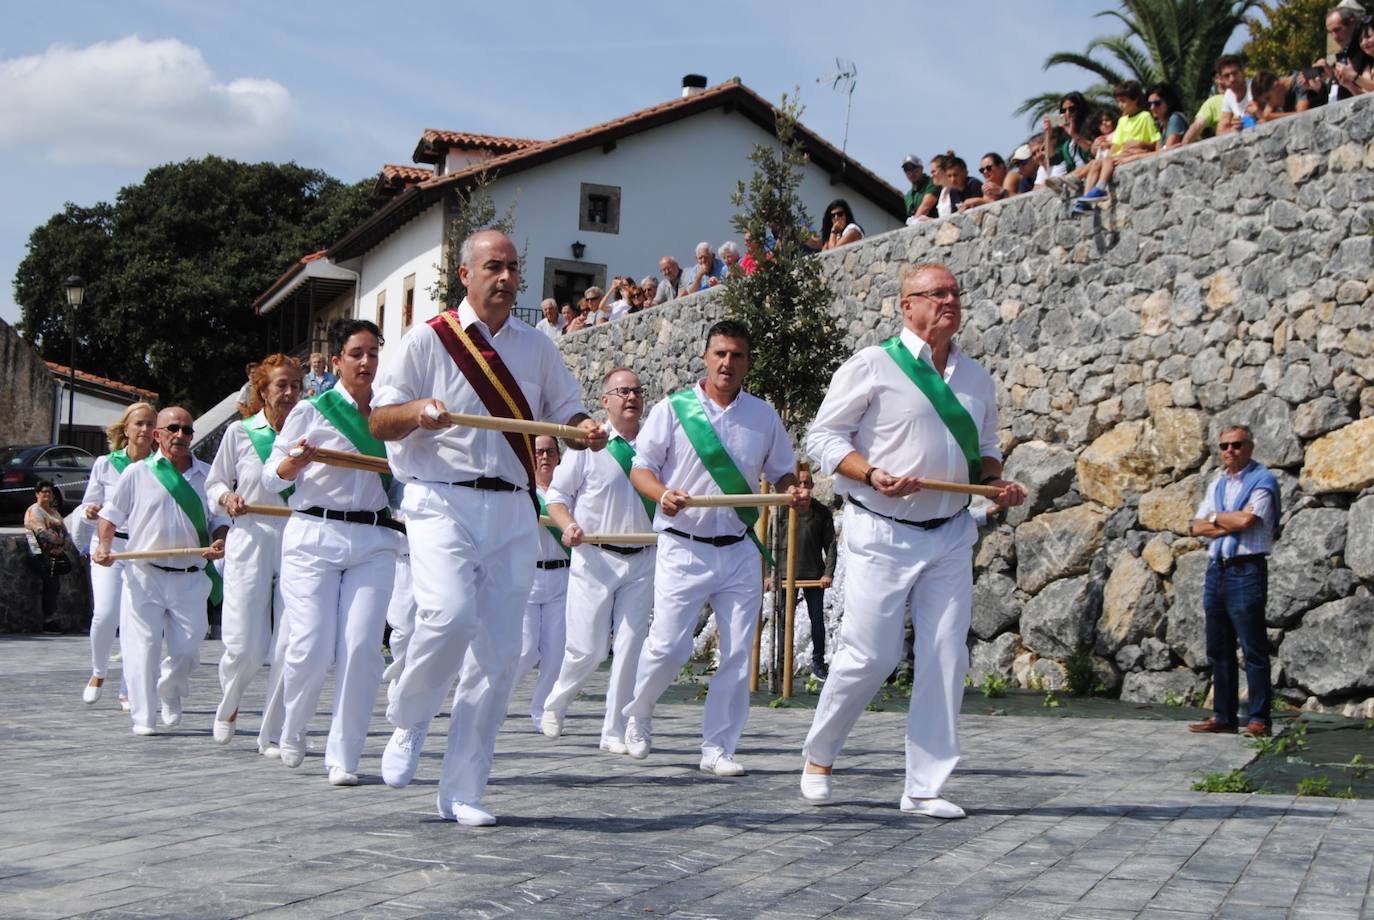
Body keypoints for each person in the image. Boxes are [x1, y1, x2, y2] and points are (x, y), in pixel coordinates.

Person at [369, 229, 605, 827]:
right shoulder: (428, 341)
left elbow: (566, 409)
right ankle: (411, 716)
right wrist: (418, 413)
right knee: (447, 615)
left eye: (512, 268)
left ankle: (463, 788)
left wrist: (586, 427)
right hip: (440, 499)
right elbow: (380, 419)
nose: (504, 278)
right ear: (466, 275)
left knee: (500, 653)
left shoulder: (537, 346)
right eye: (492, 267)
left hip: (512, 505)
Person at [798, 262, 1025, 818]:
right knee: (870, 655)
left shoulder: (975, 377)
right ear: (907, 305)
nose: (950, 300)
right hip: (881, 530)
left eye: (955, 291)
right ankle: (819, 755)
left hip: (949, 533)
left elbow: (986, 446)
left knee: (946, 656)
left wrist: (994, 485)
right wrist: (870, 473)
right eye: (937, 293)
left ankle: (924, 786)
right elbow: (823, 436)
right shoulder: (873, 365)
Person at [622, 320, 803, 777]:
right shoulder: (673, 409)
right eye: (720, 353)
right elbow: (640, 469)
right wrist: (661, 493)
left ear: (747, 362)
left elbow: (784, 472)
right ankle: (640, 710)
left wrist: (795, 488)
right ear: (706, 356)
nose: (727, 363)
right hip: (683, 547)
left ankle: (717, 747)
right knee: (667, 647)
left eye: (737, 355)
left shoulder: (762, 416)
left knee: (739, 653)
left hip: (739, 548)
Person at [262, 319, 400, 785]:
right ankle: (294, 727)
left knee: (362, 648)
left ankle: (344, 756)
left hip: (374, 539)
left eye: (373, 354)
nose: (366, 362)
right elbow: (270, 476)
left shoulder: (387, 416)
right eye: (356, 354)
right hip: (314, 534)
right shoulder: (311, 411)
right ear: (337, 360)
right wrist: (293, 462)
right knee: (311, 647)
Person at [540, 368, 656, 752]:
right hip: (595, 558)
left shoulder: (655, 447)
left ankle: (614, 731)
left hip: (643, 559)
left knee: (630, 647)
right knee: (588, 650)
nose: (631, 397)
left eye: (637, 390)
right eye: (622, 391)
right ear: (605, 400)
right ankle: (556, 702)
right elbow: (556, 498)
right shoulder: (587, 445)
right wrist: (569, 526)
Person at [94, 407, 228, 736]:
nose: (181, 436)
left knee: (187, 649)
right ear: (158, 435)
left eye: (187, 430)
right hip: (145, 574)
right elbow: (110, 516)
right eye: (173, 429)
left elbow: (220, 521)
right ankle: (143, 717)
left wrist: (219, 541)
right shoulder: (137, 474)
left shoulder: (206, 476)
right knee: (142, 649)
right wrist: (104, 547)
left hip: (190, 577)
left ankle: (170, 688)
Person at [206, 354, 302, 747]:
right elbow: (212, 485)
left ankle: (274, 730)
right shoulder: (240, 433)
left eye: (296, 385)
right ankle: (229, 703)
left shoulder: (308, 435)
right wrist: (227, 498)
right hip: (250, 536)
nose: (290, 393)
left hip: (298, 537)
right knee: (244, 644)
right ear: (263, 389)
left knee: (290, 641)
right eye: (282, 385)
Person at [1188, 424, 1278, 739]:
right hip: (1218, 568)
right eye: (1225, 446)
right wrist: (1227, 521)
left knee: (1252, 646)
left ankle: (1259, 718)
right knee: (1218, 646)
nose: (1230, 451)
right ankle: (1223, 715)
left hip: (1246, 569)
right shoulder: (1218, 483)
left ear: (1250, 446)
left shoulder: (1263, 479)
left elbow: (1248, 520)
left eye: (1237, 445)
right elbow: (1197, 527)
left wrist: (1218, 519)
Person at [78, 401, 156, 707]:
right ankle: (98, 671)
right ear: (126, 429)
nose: (145, 430)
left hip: (143, 550)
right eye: (139, 423)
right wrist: (91, 511)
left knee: (136, 621)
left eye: (151, 424)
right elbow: (88, 505)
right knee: (105, 615)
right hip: (109, 547)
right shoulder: (105, 463)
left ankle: (129, 686)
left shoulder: (160, 467)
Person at [506, 435, 570, 732]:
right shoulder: (520, 489)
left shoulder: (569, 490)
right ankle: (498, 700)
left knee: (556, 651)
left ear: (559, 456)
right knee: (526, 649)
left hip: (562, 574)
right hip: (529, 575)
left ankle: (542, 711)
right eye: (539, 452)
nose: (544, 457)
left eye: (550, 452)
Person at [1074, 82, 1162, 213]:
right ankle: (1086, 198)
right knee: (1096, 163)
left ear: (1135, 100)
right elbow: (1117, 145)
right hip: (1121, 154)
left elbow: (1156, 142)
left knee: (1107, 160)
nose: (1120, 105)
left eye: (1123, 101)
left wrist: (1141, 144)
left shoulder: (1145, 117)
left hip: (1134, 153)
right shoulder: (1122, 120)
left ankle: (1100, 188)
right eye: (1118, 102)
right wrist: (1109, 147)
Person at [789, 466, 837, 681]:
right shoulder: (784, 510)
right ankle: (782, 663)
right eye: (799, 483)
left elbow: (831, 545)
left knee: (816, 619)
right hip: (785, 574)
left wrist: (828, 573)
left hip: (813, 574)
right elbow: (771, 541)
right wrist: (769, 574)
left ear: (812, 486)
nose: (803, 487)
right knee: (783, 620)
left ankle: (818, 661)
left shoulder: (821, 512)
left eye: (807, 483)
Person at [25, 479, 71, 632]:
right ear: (37, 494)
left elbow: (65, 530)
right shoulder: (34, 511)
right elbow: (41, 533)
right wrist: (60, 541)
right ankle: (48, 621)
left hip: (55, 555)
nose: (47, 495)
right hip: (39, 554)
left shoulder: (54, 512)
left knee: (53, 586)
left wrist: (64, 542)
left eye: (49, 492)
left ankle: (50, 619)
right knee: (51, 584)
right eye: (43, 492)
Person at [1331, 20, 1374, 96]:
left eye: (1368, 37)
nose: (1364, 42)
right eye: (1360, 40)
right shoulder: (1368, 66)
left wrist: (1353, 76)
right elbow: (1366, 97)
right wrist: (1349, 85)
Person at [1214, 55, 1250, 134]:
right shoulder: (1228, 95)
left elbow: (1266, 116)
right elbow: (1219, 131)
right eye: (1227, 76)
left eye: (1235, 73)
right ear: (1221, 79)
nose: (1232, 79)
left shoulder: (1255, 87)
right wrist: (1233, 128)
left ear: (1242, 72)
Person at [901, 154, 935, 220]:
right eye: (906, 170)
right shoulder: (908, 196)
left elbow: (925, 208)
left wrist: (913, 224)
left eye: (913, 168)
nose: (911, 173)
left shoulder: (932, 183)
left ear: (921, 168)